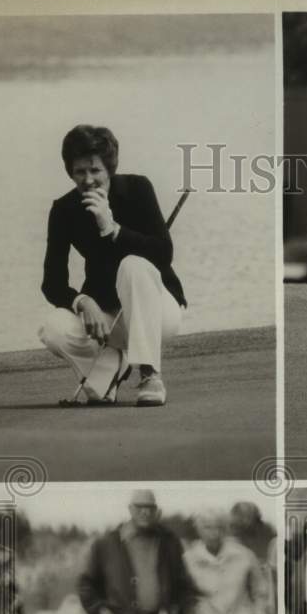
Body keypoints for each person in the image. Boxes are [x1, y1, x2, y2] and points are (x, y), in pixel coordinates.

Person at [39, 124, 187, 406]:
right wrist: (83, 302)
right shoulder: (64, 210)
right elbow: (52, 283)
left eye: (95, 170)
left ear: (109, 168)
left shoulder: (138, 189)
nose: (88, 179)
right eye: (80, 171)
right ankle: (111, 366)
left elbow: (163, 253)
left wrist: (113, 229)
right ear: (70, 172)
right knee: (53, 328)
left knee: (133, 265)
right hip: (109, 319)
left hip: (158, 314)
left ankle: (150, 373)